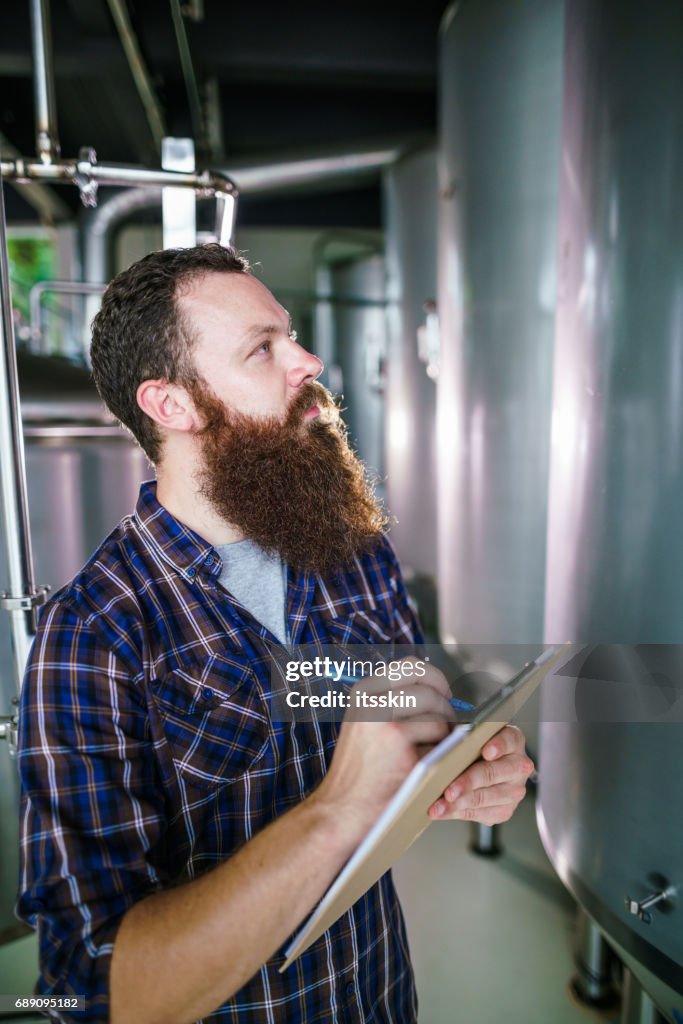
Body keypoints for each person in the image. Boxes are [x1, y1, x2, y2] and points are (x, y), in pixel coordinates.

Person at [16, 244, 534, 1024]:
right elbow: (93, 993)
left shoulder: (353, 551)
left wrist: (466, 768)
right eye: (263, 348)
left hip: (376, 998)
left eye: (287, 335)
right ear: (172, 405)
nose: (308, 359)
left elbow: (411, 727)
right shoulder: (93, 634)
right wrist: (335, 810)